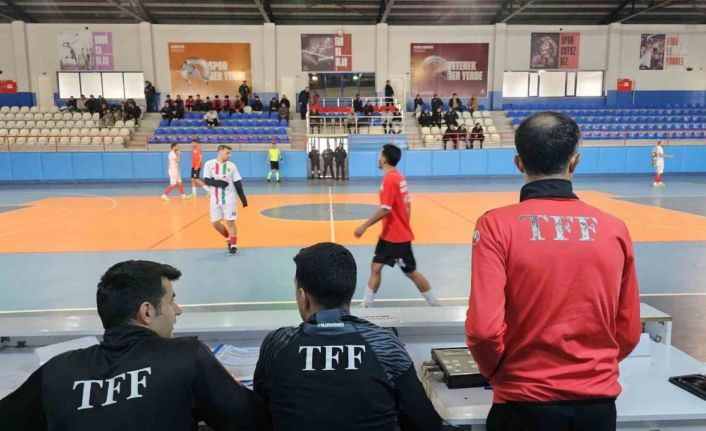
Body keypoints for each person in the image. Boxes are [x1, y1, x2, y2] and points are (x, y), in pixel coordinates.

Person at [466, 112, 641, 431]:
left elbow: (484, 331)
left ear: (518, 162)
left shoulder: (495, 226)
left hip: (522, 403)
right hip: (597, 409)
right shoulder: (615, 229)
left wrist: (497, 373)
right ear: (575, 161)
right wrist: (591, 369)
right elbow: (628, 329)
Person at [0, 260, 264, 431]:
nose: (177, 310)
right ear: (147, 312)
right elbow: (253, 421)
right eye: (171, 300)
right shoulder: (187, 357)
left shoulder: (56, 371)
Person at [254, 242, 442, 431]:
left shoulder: (276, 344)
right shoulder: (386, 346)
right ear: (350, 290)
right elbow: (427, 424)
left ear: (303, 298)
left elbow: (261, 412)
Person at [354, 144, 438, 307]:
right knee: (376, 267)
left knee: (411, 272)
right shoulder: (399, 176)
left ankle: (434, 302)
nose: (379, 158)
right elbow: (408, 205)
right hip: (388, 235)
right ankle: (366, 304)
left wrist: (364, 226)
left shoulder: (390, 179)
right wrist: (404, 223)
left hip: (397, 238)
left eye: (380, 155)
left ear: (384, 159)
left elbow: (385, 209)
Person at [202, 145, 248, 256]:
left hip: (229, 198)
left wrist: (243, 198)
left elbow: (237, 183)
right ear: (220, 152)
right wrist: (219, 183)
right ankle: (228, 238)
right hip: (215, 199)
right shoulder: (209, 164)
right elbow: (206, 180)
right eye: (227, 153)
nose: (229, 155)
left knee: (230, 222)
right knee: (215, 223)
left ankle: (234, 246)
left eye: (230, 153)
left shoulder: (232, 166)